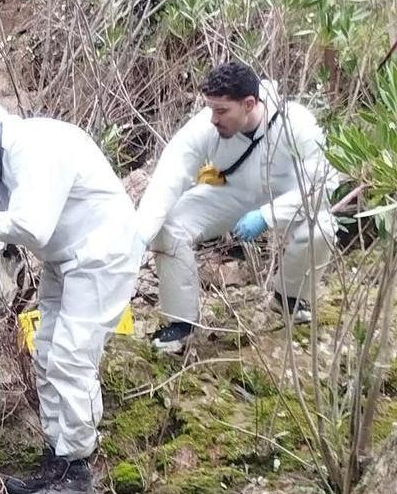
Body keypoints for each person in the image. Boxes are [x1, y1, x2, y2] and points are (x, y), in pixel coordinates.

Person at [0, 101, 140, 494]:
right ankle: (58, 458)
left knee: (71, 358)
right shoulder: (10, 157)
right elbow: (12, 213)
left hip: (102, 253)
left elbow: (31, 226)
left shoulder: (35, 150)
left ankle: (78, 472)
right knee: (45, 353)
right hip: (68, 257)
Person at [136, 62, 339, 353]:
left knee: (322, 228)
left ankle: (290, 298)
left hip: (287, 198)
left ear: (248, 104)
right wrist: (141, 233)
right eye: (211, 109)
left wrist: (268, 216)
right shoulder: (204, 128)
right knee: (171, 226)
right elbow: (169, 177)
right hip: (232, 193)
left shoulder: (297, 123)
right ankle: (180, 324)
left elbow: (321, 183)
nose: (214, 119)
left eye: (222, 111)